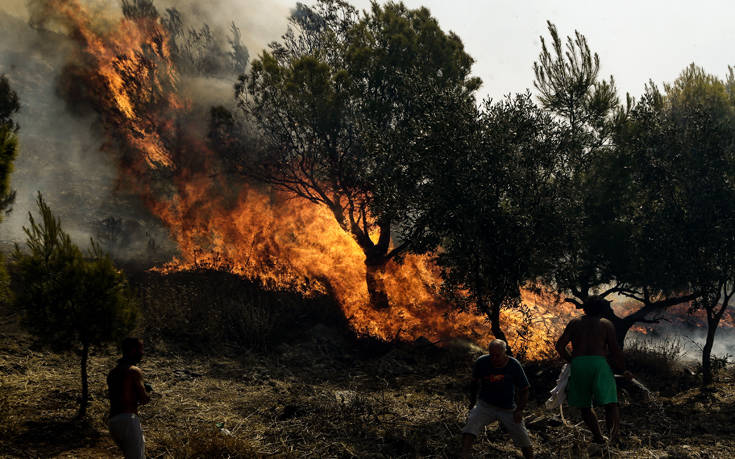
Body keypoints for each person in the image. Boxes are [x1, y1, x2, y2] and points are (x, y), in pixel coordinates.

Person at [555, 295, 632, 445]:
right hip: (599, 364)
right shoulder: (605, 324)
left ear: (585, 308)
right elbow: (615, 350)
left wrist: (572, 360)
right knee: (611, 403)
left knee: (585, 405)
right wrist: (623, 370)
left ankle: (598, 438)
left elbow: (559, 346)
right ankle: (614, 439)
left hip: (578, 365)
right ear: (602, 310)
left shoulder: (574, 323)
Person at [460, 339, 534, 459]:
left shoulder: (514, 365)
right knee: (471, 423)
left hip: (507, 408)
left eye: (497, 355)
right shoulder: (482, 362)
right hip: (485, 405)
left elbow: (524, 389)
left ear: (505, 352)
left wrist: (519, 410)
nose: (494, 358)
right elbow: (474, 383)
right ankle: (465, 453)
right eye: (491, 355)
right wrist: (472, 402)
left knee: (523, 437)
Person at [107, 337, 151, 459]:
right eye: (140, 349)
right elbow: (144, 399)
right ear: (132, 350)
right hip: (128, 420)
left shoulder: (113, 372)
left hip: (113, 422)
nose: (142, 353)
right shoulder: (134, 371)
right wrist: (146, 391)